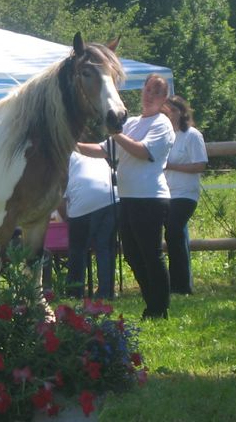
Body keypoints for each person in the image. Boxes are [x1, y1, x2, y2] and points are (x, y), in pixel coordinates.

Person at [78, 74, 174, 319]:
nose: (149, 94)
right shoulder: (131, 124)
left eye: (156, 91)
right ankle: (151, 302)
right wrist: (72, 144)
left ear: (164, 98)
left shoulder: (161, 123)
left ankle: (159, 308)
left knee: (151, 253)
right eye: (148, 89)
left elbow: (143, 151)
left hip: (150, 197)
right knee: (132, 253)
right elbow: (103, 150)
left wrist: (116, 132)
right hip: (129, 197)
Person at [161, 95, 208, 295]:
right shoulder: (165, 136)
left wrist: (171, 166)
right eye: (165, 111)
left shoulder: (192, 135)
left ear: (181, 112)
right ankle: (178, 284)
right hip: (166, 193)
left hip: (186, 193)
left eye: (171, 111)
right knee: (174, 237)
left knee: (173, 232)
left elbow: (200, 165)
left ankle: (179, 285)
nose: (168, 115)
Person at [60, 151, 119, 300]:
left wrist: (66, 218)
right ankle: (106, 292)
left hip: (83, 200)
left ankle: (75, 292)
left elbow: (61, 199)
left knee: (78, 250)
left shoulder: (63, 156)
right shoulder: (95, 153)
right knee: (105, 247)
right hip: (112, 198)